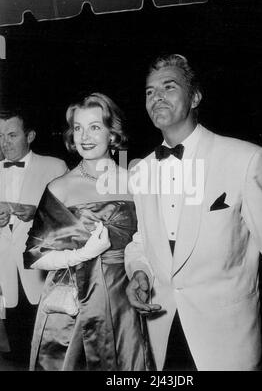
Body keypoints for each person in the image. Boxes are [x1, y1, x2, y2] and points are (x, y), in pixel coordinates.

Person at [124, 53, 262, 371]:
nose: (156, 97)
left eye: (169, 87)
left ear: (195, 97)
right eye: (150, 91)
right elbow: (142, 240)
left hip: (228, 339)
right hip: (163, 330)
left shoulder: (245, 160)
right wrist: (139, 271)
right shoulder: (140, 171)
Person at [23, 92, 155, 371]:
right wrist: (82, 253)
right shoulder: (60, 187)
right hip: (70, 306)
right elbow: (34, 256)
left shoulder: (135, 182)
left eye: (95, 127)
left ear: (112, 132)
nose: (85, 136)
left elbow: (146, 242)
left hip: (124, 302)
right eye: (78, 127)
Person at [0, 108, 67, 365]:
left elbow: (69, 219)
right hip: (5, 271)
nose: (4, 142)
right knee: (15, 348)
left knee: (47, 347)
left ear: (30, 136)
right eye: (1, 136)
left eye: (12, 135)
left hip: (41, 271)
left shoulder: (54, 166)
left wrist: (38, 213)